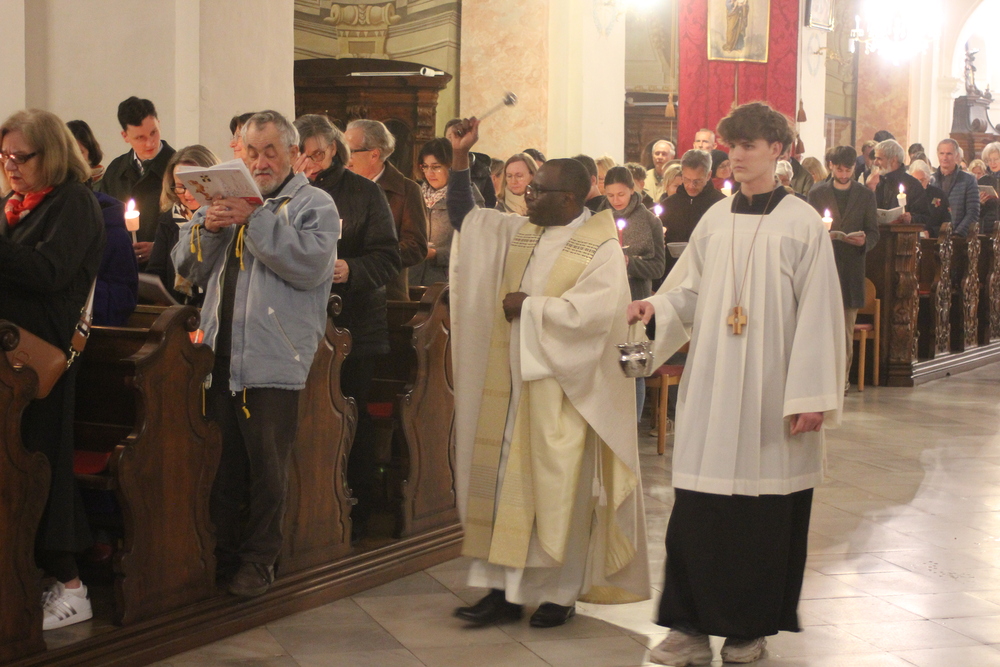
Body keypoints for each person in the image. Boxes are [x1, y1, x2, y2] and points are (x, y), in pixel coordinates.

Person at [628, 102, 844, 666]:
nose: (738, 156)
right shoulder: (716, 219)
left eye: (749, 146)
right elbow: (689, 290)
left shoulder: (801, 223)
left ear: (778, 150)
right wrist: (656, 306)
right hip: (715, 383)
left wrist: (813, 397)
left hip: (774, 391)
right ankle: (689, 629)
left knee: (764, 516)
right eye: (732, 147)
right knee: (698, 507)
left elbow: (821, 314)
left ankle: (748, 631)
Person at [445, 117, 649, 629]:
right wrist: (459, 157)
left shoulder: (600, 248)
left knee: (561, 494)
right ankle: (502, 594)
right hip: (513, 388)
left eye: (537, 190)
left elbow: (595, 317)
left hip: (566, 391)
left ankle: (560, 594)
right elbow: (466, 218)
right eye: (528, 188)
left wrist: (531, 307)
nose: (526, 196)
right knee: (502, 488)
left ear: (570, 198)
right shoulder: (523, 232)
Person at [171, 110, 340, 597]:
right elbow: (186, 268)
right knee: (222, 464)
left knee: (267, 466)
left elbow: (309, 267)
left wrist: (256, 218)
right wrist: (210, 228)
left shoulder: (315, 204)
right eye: (252, 152)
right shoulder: (223, 199)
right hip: (219, 352)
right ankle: (222, 555)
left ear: (293, 154)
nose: (261, 161)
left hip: (273, 356)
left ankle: (260, 561)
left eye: (271, 151)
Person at [1, 109, 105, 629]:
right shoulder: (14, 207)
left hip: (42, 358)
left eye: (21, 157)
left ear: (53, 153)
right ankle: (26, 574)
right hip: (8, 358)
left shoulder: (74, 203)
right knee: (14, 468)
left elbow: (49, 272)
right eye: (4, 156)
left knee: (43, 463)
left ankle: (72, 585)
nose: (10, 166)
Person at [295, 114, 400, 537]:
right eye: (301, 156)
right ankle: (308, 503)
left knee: (351, 415)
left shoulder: (363, 193)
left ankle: (357, 506)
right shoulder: (287, 192)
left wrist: (350, 269)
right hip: (301, 329)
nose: (310, 164)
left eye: (317, 154)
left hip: (355, 327)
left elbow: (388, 258)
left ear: (334, 149)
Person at [808, 146, 880, 392]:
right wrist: (822, 236)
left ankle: (841, 381)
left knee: (845, 331)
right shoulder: (817, 193)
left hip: (851, 269)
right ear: (830, 166)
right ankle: (820, 381)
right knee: (820, 330)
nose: (843, 174)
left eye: (848, 169)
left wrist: (864, 242)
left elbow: (874, 232)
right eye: (839, 169)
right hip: (824, 267)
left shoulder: (864, 195)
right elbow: (809, 229)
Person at [601, 165, 665, 421]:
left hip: (635, 303)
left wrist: (630, 263)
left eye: (621, 194)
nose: (616, 200)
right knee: (605, 368)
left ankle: (632, 427)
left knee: (634, 369)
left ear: (632, 190)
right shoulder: (598, 218)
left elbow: (658, 267)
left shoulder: (649, 221)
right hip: (605, 301)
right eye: (610, 195)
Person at [345, 119, 428, 302]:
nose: (345, 159)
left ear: (374, 155)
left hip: (386, 296)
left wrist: (373, 258)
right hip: (343, 293)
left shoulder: (406, 190)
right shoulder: (342, 188)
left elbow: (416, 247)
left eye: (350, 152)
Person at [67, 119, 138, 326]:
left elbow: (123, 297)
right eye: (64, 153)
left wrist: (74, 289)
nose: (70, 160)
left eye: (78, 152)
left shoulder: (109, 222)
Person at [96, 97, 175, 266]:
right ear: (125, 136)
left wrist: (160, 247)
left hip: (165, 267)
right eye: (140, 137)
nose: (150, 143)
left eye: (153, 132)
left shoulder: (177, 167)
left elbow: (193, 224)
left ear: (159, 124)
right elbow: (103, 220)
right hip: (122, 265)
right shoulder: (116, 170)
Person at [148, 145, 220, 305]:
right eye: (180, 187)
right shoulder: (168, 221)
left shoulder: (225, 219)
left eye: (194, 185)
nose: (187, 194)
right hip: (178, 309)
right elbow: (157, 272)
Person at [409, 137, 483, 288]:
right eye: (425, 166)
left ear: (451, 166)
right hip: (412, 279)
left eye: (436, 167)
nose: (429, 173)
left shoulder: (469, 200)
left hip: (448, 282)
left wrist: (437, 254)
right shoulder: (414, 194)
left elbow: (474, 248)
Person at [660, 150, 725, 278]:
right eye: (687, 179)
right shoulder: (668, 205)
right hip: (673, 272)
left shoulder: (720, 205)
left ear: (708, 175)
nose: (691, 186)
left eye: (697, 181)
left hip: (709, 272)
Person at [867, 139, 931, 228]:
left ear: (893, 160)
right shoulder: (875, 181)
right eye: (875, 158)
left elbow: (925, 217)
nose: (875, 162)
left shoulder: (912, 184)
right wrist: (870, 189)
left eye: (879, 158)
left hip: (902, 234)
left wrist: (911, 218)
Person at [931, 138, 980, 237]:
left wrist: (958, 234)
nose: (945, 157)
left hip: (959, 237)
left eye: (949, 154)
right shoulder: (931, 180)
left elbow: (973, 212)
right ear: (937, 155)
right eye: (942, 153)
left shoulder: (968, 180)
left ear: (957, 155)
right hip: (934, 236)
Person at [909, 159, 952, 238]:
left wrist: (931, 232)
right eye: (915, 181)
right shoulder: (907, 196)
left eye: (922, 180)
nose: (918, 184)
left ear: (928, 178)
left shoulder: (939, 194)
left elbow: (947, 224)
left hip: (933, 240)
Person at [978, 142, 1000, 233]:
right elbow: (976, 211)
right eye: (989, 160)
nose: (992, 163)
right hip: (988, 227)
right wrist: (980, 203)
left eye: (996, 159)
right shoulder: (983, 181)